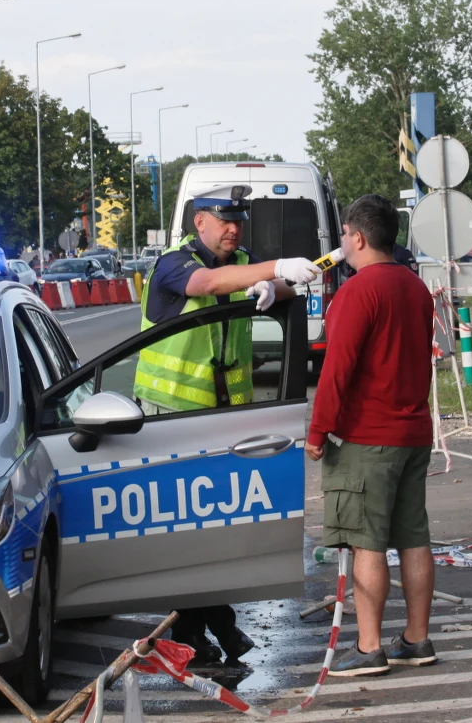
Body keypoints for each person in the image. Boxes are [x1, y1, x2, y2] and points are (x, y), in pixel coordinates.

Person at [134, 183, 320, 666]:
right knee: (188, 543)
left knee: (210, 539)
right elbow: (207, 286)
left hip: (221, 424)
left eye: (239, 220)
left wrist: (275, 285)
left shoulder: (239, 263)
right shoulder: (176, 263)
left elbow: (261, 289)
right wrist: (273, 269)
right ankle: (209, 633)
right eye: (224, 220)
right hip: (169, 423)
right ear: (200, 222)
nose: (234, 229)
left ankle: (213, 632)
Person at [304, 194, 438, 677]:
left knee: (367, 544)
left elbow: (336, 370)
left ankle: (367, 648)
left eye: (343, 235)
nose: (342, 243)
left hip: (366, 438)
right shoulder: (415, 288)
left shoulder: (358, 292)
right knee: (414, 538)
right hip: (412, 432)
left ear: (357, 237)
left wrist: (318, 432)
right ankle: (417, 639)